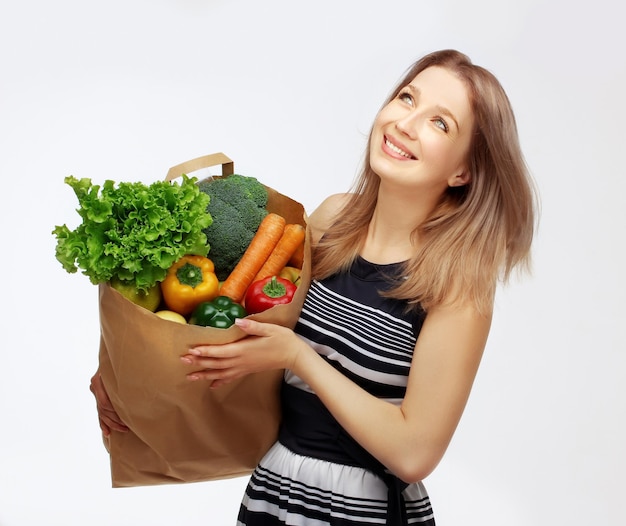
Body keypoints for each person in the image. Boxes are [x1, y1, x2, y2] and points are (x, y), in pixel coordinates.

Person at [91, 49, 537, 525]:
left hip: (362, 511)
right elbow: (243, 339)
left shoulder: (459, 289)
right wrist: (132, 385)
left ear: (463, 171)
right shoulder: (330, 222)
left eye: (440, 123)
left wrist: (300, 356)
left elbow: (414, 454)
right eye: (407, 98)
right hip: (274, 492)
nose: (407, 123)